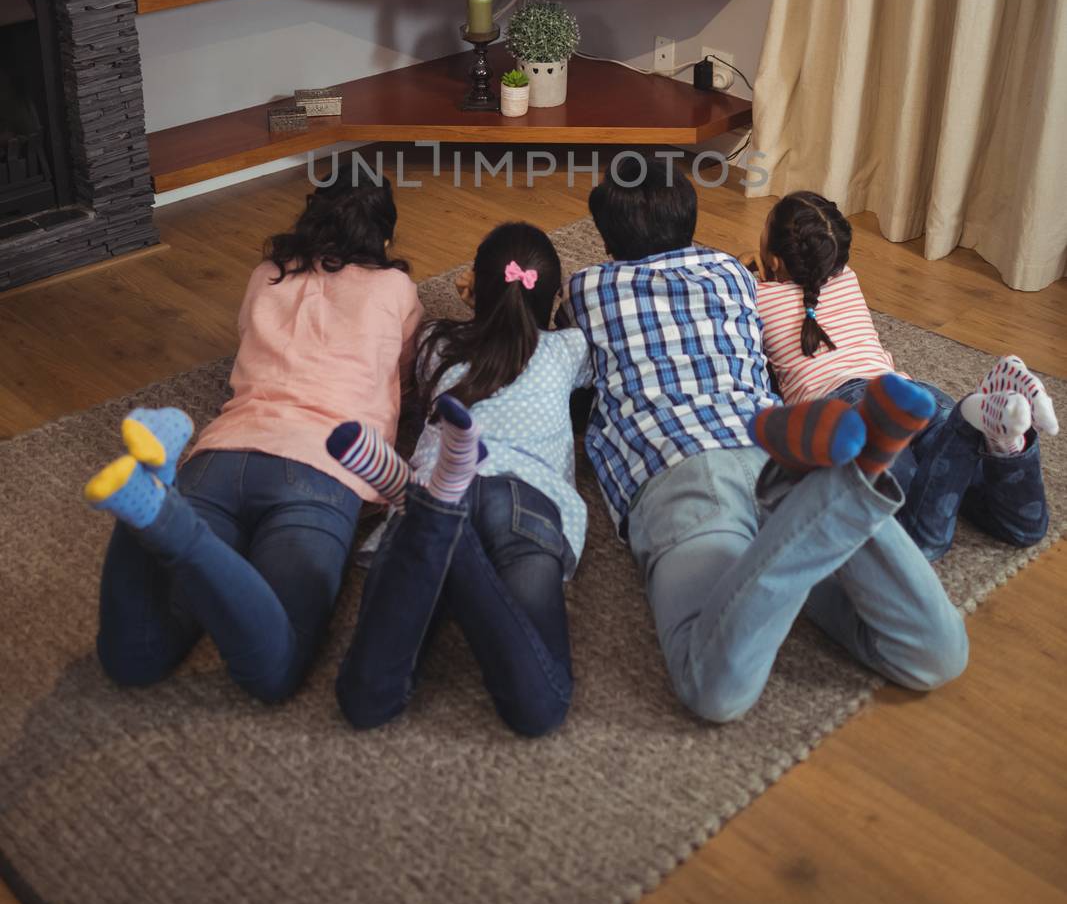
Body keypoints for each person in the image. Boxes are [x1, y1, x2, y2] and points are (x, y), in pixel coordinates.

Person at [565, 158, 969, 725]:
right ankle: (834, 489)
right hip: (769, 454)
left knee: (714, 691)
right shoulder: (733, 275)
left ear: (606, 236)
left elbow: (562, 372)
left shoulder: (586, 290)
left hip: (679, 468)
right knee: (937, 657)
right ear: (690, 216)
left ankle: (833, 493)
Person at [84, 175, 421, 703]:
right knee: (271, 671)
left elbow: (246, 338)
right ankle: (166, 519)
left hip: (222, 452)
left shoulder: (266, 274)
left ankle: (153, 498)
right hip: (321, 467)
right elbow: (403, 372)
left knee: (134, 657)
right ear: (383, 237)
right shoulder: (396, 289)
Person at [328, 221, 592, 736]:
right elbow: (585, 337)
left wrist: (477, 301)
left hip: (430, 485)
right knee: (540, 709)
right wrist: (556, 308)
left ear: (474, 286)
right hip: (526, 494)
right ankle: (442, 509)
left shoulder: (436, 342)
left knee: (365, 704)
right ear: (550, 295)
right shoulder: (568, 350)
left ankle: (436, 504)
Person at [751, 190, 1055, 560]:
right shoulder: (847, 279)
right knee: (1023, 528)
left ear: (775, 260)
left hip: (857, 417)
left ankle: (967, 422)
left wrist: (744, 271)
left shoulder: (754, 298)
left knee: (920, 541)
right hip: (911, 394)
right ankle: (1000, 438)